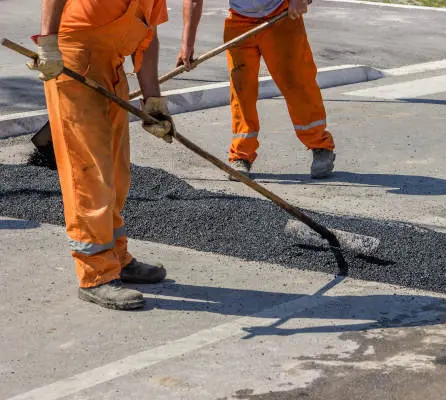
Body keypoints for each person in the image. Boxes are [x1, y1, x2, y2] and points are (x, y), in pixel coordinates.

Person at [28, 0, 176, 310]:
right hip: (72, 60)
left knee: (117, 173)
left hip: (111, 66)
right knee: (89, 173)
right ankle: (95, 274)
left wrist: (153, 99)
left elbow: (148, 37)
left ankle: (116, 257)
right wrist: (48, 43)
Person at [177, 0, 336, 180]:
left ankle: (320, 145)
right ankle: (241, 154)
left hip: (281, 16)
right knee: (241, 91)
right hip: (239, 22)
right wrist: (187, 44)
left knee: (298, 84)